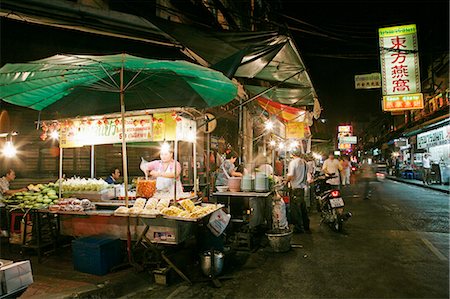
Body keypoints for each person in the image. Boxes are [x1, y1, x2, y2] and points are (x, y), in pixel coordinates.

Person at [286, 150, 310, 233]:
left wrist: (285, 182)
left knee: (296, 209)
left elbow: (291, 175)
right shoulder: (305, 163)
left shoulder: (293, 163)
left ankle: (298, 228)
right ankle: (306, 226)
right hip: (302, 188)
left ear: (293, 154)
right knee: (303, 208)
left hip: (295, 188)